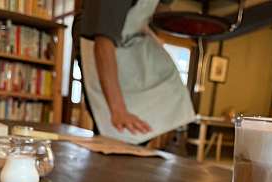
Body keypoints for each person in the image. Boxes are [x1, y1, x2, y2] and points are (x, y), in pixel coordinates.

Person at [74, 0, 196, 144]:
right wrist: (118, 110)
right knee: (117, 133)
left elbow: (160, 9)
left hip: (133, 39)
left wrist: (186, 26)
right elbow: (103, 44)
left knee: (142, 128)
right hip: (100, 45)